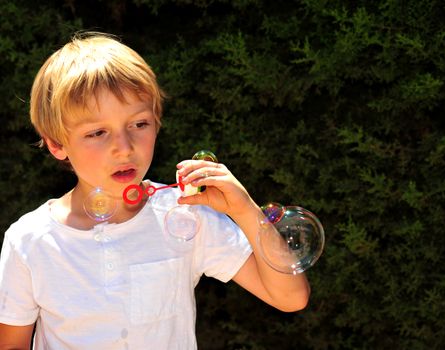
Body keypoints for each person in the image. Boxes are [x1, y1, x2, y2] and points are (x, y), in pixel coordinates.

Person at [0, 32, 310, 349]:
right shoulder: (30, 241)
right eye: (97, 132)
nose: (124, 148)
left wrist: (244, 210)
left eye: (139, 124)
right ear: (56, 143)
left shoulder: (186, 213)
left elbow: (290, 296)